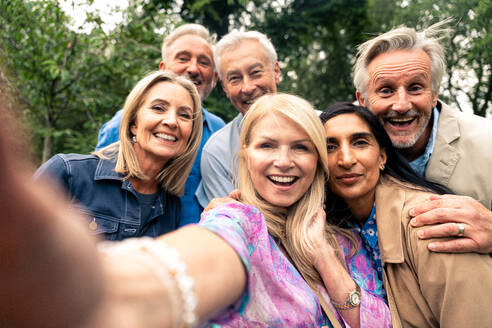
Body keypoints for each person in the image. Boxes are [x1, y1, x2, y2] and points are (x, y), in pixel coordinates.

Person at [3, 93, 392, 327]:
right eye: (267, 146)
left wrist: (324, 257)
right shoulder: (237, 220)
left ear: (318, 161)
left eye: (301, 147)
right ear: (245, 156)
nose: (283, 161)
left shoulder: (347, 241)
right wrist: (91, 292)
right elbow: (191, 265)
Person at [321, 102, 492, 327]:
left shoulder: (432, 221)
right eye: (330, 147)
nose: (346, 160)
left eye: (360, 143)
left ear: (382, 157)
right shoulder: (327, 226)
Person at [353, 20, 492, 253]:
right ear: (363, 100)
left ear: (435, 93)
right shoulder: (341, 151)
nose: (401, 104)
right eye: (386, 90)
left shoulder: (487, 143)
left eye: (416, 87)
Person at [35, 70, 202, 240]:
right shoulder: (69, 173)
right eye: (158, 108)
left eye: (184, 115)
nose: (172, 121)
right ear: (133, 124)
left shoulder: (171, 208)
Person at [96, 23, 225, 225]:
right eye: (183, 58)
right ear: (163, 69)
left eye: (204, 62)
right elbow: (97, 191)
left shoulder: (220, 131)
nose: (193, 68)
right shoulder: (124, 124)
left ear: (215, 78)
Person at [196, 30, 281, 207]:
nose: (248, 87)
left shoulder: (322, 126)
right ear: (224, 87)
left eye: (256, 72)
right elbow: (232, 224)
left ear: (276, 72)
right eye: (235, 79)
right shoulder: (217, 152)